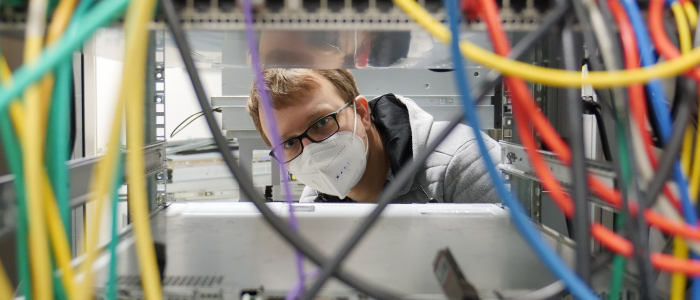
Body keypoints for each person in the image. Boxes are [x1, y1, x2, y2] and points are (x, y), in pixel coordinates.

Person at [247, 69, 501, 203]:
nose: (312, 151)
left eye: (322, 122)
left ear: (361, 112)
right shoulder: (315, 201)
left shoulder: (465, 163)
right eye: (289, 143)